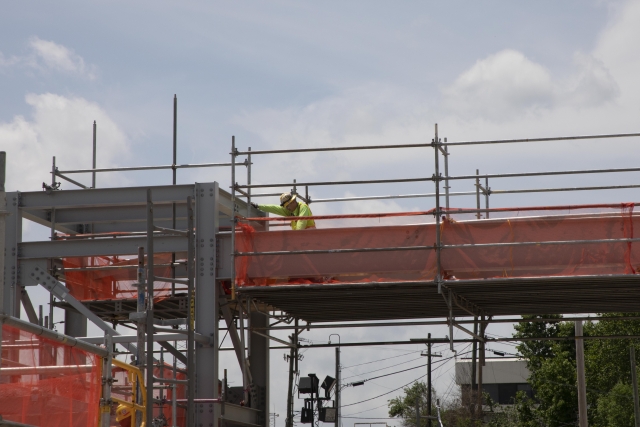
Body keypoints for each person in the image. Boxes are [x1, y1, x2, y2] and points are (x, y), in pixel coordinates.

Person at [251, 192, 316, 230]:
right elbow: (275, 208)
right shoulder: (291, 211)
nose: (287, 208)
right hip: (301, 240)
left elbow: (300, 226)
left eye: (287, 206)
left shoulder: (303, 207)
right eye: (285, 207)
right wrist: (258, 206)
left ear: (293, 201)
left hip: (310, 238)